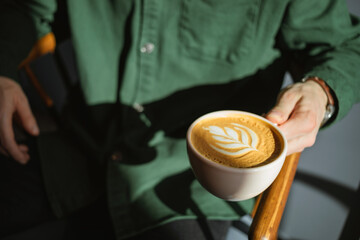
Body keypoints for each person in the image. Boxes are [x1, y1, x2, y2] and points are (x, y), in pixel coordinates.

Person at [0, 0, 359, 239]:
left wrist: (321, 92)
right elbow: (26, 7)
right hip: (80, 146)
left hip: (190, 185)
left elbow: (345, 45)